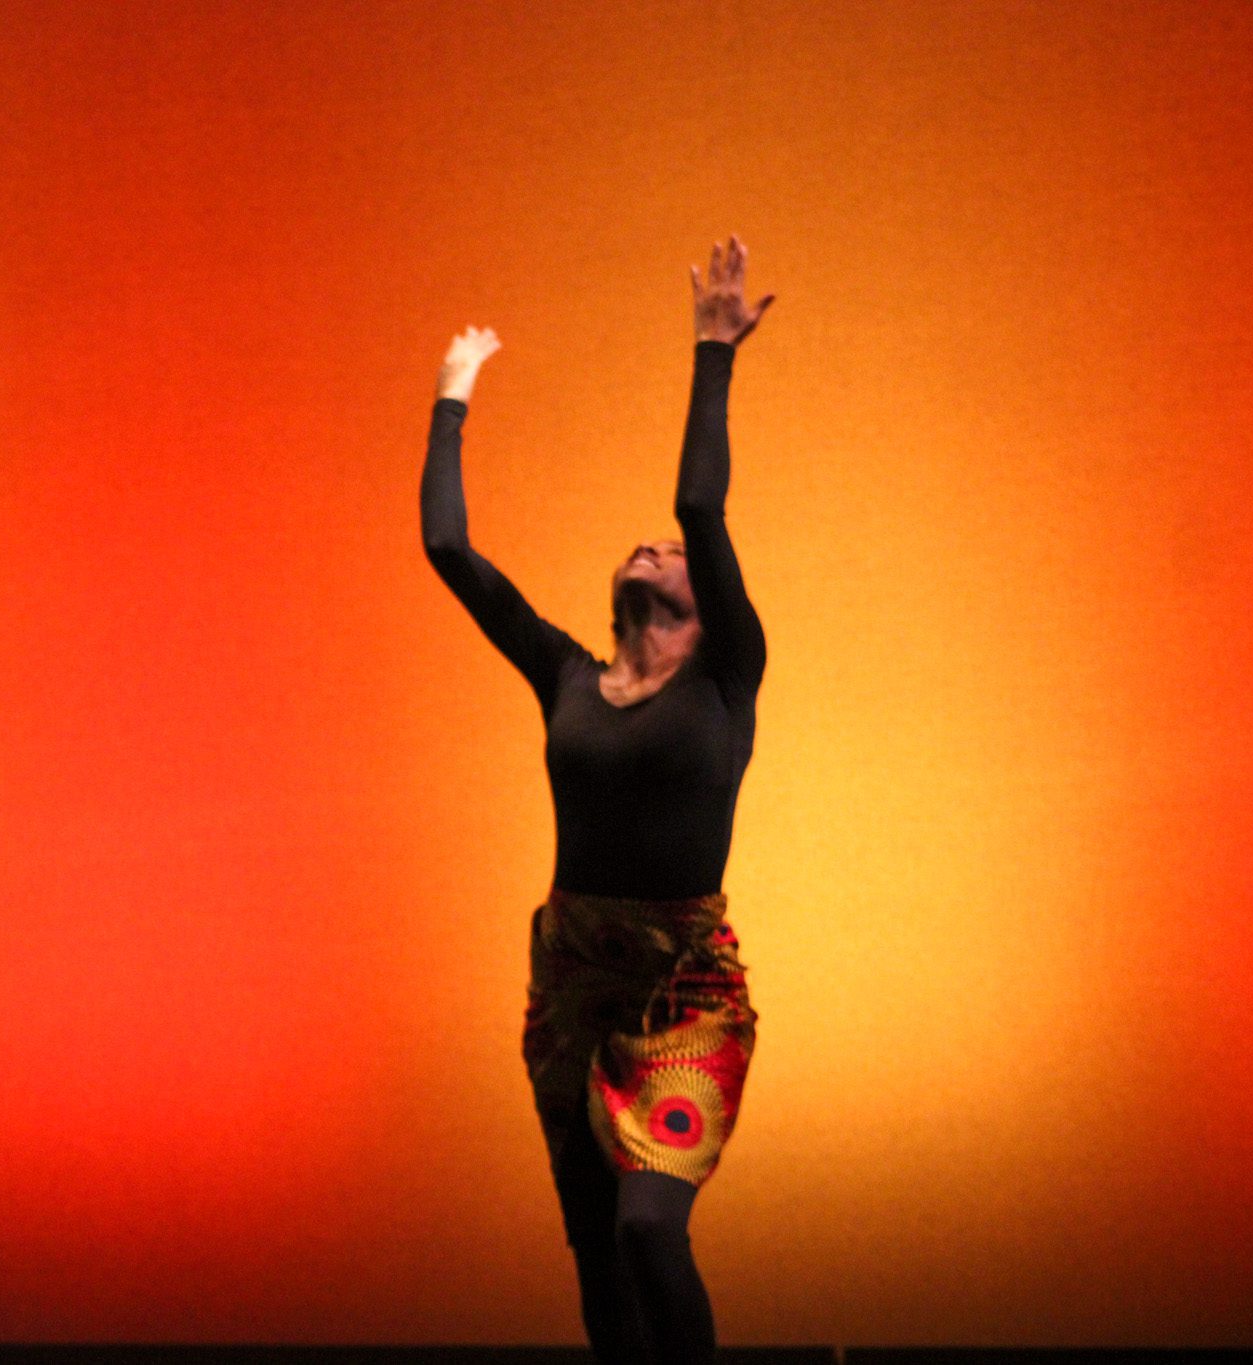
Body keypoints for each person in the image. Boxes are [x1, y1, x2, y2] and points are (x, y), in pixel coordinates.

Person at [419, 239, 772, 1365]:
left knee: (646, 1227)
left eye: (668, 555)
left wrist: (710, 351)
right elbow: (447, 548)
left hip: (682, 988)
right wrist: (450, 398)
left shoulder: (726, 675)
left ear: (704, 605)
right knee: (593, 1252)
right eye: (641, 547)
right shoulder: (570, 677)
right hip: (570, 980)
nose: (653, 544)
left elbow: (698, 503)